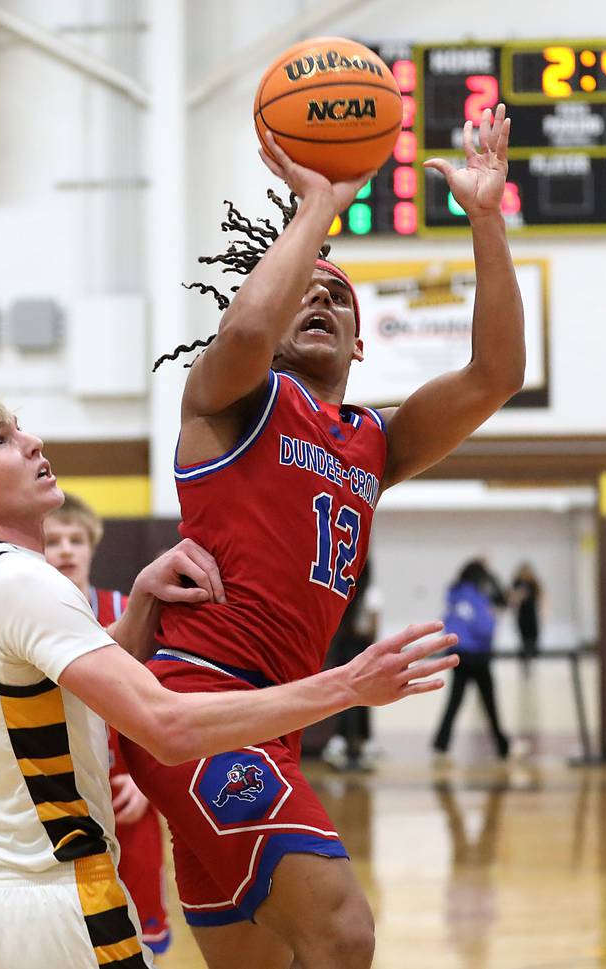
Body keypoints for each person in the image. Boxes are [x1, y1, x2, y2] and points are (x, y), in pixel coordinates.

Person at [123, 106, 524, 969]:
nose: (320, 294)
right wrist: (318, 207)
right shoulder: (234, 399)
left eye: (338, 293)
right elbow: (242, 332)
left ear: (361, 343)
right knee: (343, 932)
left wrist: (486, 221)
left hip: (278, 717)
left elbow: (497, 375)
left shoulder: (374, 441)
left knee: (258, 962)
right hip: (202, 703)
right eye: (306, 283)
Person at [0, 382, 456, 969]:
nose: (32, 442)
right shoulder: (25, 582)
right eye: (1, 440)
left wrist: (139, 609)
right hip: (55, 903)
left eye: (20, 427)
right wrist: (347, 686)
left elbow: (53, 692)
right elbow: (168, 727)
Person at [43, 492, 171, 955]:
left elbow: (165, 697)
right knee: (69, 931)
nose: (65, 550)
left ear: (92, 546)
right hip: (58, 790)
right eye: (53, 540)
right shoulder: (28, 617)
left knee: (142, 924)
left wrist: (150, 777)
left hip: (127, 784)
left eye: (76, 539)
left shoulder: (127, 609)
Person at [432, 561, 510, 760]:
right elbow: (484, 627)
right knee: (489, 703)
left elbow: (447, 623)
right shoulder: (478, 596)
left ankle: (441, 742)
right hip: (478, 655)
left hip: (458, 654)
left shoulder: (454, 595)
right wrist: (492, 624)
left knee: (454, 701)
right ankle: (502, 746)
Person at [321, 560, 383, 771]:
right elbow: (374, 626)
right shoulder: (371, 593)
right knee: (360, 701)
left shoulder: (343, 589)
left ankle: (341, 746)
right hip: (361, 649)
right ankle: (358, 749)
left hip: (342, 646)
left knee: (343, 699)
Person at [510, 562, 544, 666]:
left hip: (532, 614)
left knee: (533, 637)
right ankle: (525, 662)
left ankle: (532, 659)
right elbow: (512, 599)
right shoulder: (517, 582)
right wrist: (518, 596)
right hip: (522, 615)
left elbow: (541, 596)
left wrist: (544, 611)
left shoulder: (533, 583)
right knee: (524, 639)